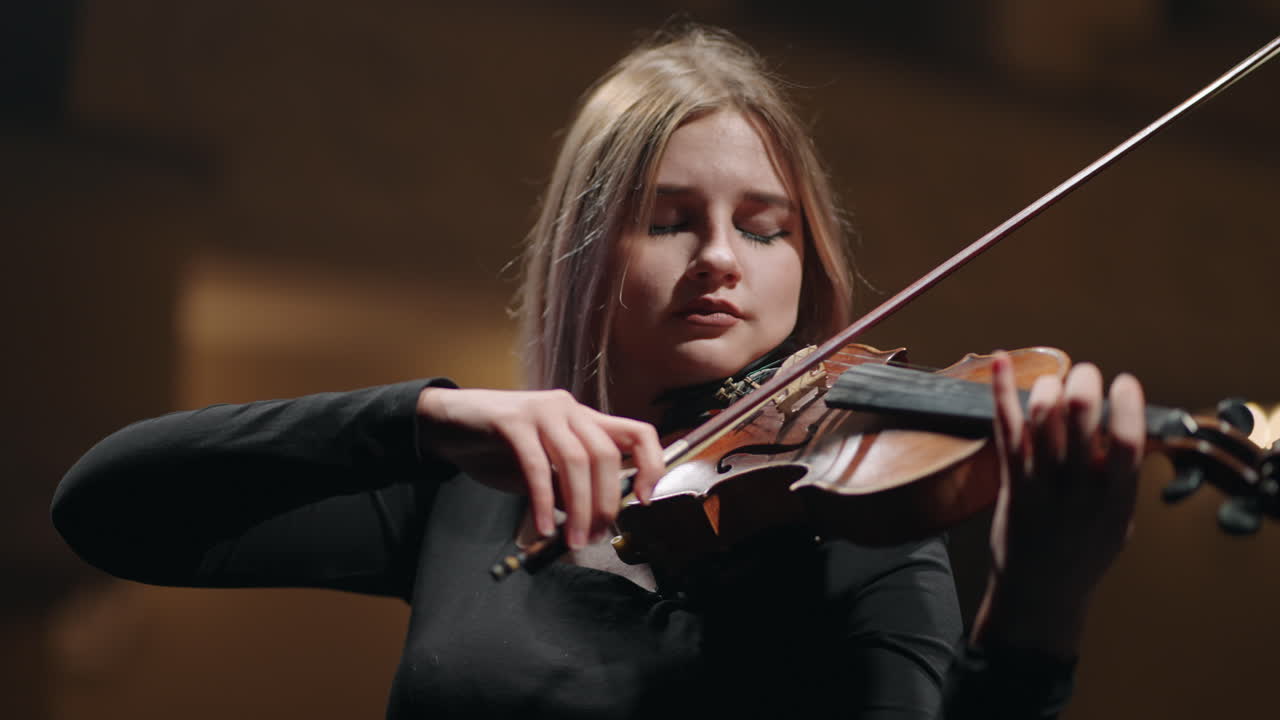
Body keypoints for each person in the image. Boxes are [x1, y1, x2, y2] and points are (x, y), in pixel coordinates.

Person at [52, 26, 1144, 719]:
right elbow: (110, 509)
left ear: (804, 265)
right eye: (670, 221)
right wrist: (420, 417)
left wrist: (1036, 610)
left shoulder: (855, 525)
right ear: (586, 253)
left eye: (764, 230)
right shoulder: (472, 496)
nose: (720, 256)